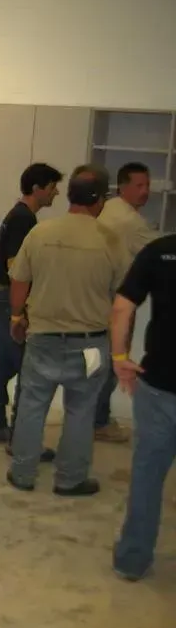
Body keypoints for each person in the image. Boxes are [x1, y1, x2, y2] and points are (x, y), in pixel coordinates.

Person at [6, 165, 127, 495]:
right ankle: (70, 479)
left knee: (31, 406)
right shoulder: (111, 242)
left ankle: (22, 473)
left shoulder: (40, 233)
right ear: (100, 199)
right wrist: (119, 348)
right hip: (89, 345)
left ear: (71, 194)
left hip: (43, 338)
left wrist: (17, 318)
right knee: (80, 411)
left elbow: (19, 281)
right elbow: (121, 299)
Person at [0, 163, 62, 451]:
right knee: (27, 369)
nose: (56, 193)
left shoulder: (18, 215)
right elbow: (16, 266)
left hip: (1, 296)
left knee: (3, 361)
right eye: (53, 187)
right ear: (38, 189)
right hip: (8, 300)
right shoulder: (23, 219)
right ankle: (21, 440)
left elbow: (3, 256)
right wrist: (22, 309)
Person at [111, 230, 176, 581]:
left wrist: (120, 357)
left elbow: (123, 305)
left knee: (148, 475)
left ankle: (132, 559)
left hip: (160, 385)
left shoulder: (161, 251)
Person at [94, 162, 159, 443]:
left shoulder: (108, 208)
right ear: (122, 187)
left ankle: (94, 418)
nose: (145, 191)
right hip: (115, 299)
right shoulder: (130, 222)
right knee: (113, 361)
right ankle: (99, 421)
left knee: (100, 361)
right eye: (139, 186)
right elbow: (159, 251)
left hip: (97, 296)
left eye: (147, 185)